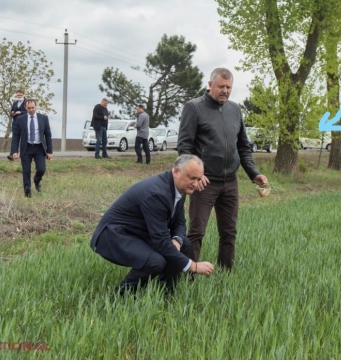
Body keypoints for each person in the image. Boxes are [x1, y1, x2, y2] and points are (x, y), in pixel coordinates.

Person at [177, 67, 268, 269]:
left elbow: (243, 147)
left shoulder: (235, 110)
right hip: (204, 182)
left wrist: (254, 174)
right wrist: (196, 176)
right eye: (221, 86)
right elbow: (184, 147)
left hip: (230, 182)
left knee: (229, 231)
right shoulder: (194, 107)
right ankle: (189, 274)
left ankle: (226, 272)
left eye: (228, 87)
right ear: (210, 85)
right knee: (197, 231)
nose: (225, 91)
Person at [90, 155, 215, 296]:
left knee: (184, 243)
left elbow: (179, 222)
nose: (195, 183)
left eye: (199, 179)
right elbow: (160, 241)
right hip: (113, 236)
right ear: (176, 171)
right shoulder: (157, 194)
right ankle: (118, 299)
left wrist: (177, 240)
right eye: (192, 178)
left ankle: (165, 294)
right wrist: (193, 266)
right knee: (155, 262)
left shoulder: (179, 187)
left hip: (137, 232)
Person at [11, 99, 53, 198]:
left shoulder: (43, 118)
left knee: (41, 169)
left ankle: (37, 180)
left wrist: (49, 151)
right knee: (26, 170)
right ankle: (27, 191)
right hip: (26, 148)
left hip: (39, 148)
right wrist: (14, 151)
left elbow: (48, 135)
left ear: (36, 106)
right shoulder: (20, 119)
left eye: (32, 107)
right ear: (25, 108)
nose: (31, 110)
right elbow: (16, 136)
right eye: (29, 108)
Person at [7, 89, 27, 161]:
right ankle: (12, 154)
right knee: (15, 139)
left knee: (24, 139)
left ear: (23, 95)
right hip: (15, 123)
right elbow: (11, 112)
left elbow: (29, 112)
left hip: (24, 124)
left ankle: (24, 155)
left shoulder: (27, 102)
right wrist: (12, 113)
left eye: (20, 95)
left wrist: (20, 112)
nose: (19, 96)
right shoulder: (15, 103)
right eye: (18, 95)